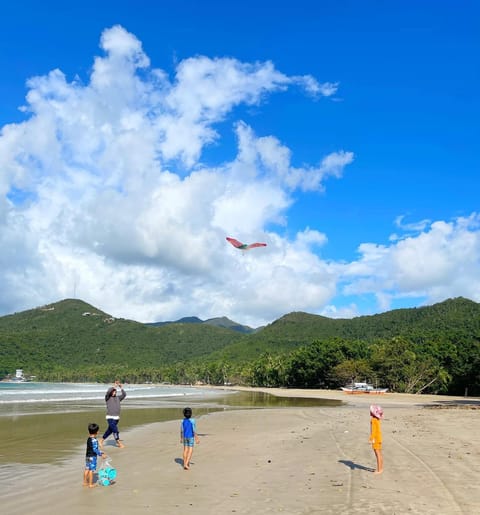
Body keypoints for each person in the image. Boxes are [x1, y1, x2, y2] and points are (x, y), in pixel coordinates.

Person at [101, 380, 127, 448]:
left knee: (109, 430)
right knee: (115, 430)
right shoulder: (107, 398)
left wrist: (121, 387)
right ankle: (119, 443)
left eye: (115, 391)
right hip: (110, 417)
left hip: (116, 418)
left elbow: (124, 395)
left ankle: (101, 441)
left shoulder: (118, 398)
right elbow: (108, 391)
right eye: (113, 391)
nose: (113, 392)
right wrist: (114, 386)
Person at [84, 422, 106, 487]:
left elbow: (91, 447)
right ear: (97, 432)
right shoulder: (94, 440)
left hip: (87, 456)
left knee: (87, 469)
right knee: (91, 470)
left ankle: (85, 482)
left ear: (89, 431)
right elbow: (95, 450)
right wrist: (101, 454)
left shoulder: (89, 439)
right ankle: (90, 484)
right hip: (92, 457)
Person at [369, 404, 384, 474]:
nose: (370, 412)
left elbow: (374, 430)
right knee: (379, 453)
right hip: (379, 438)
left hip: (376, 439)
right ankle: (381, 468)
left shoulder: (373, 420)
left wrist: (371, 438)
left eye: (371, 411)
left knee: (377, 454)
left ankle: (379, 470)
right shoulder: (377, 419)